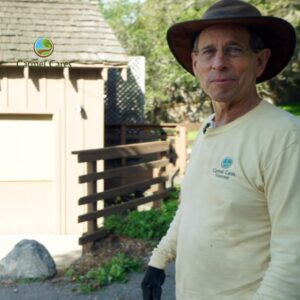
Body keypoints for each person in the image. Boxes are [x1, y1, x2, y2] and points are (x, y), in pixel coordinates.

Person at [141, 0, 300, 299]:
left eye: (234, 49)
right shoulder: (207, 129)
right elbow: (194, 208)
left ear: (261, 61)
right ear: (195, 63)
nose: (219, 63)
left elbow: (294, 257)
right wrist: (159, 260)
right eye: (209, 52)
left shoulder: (285, 139)